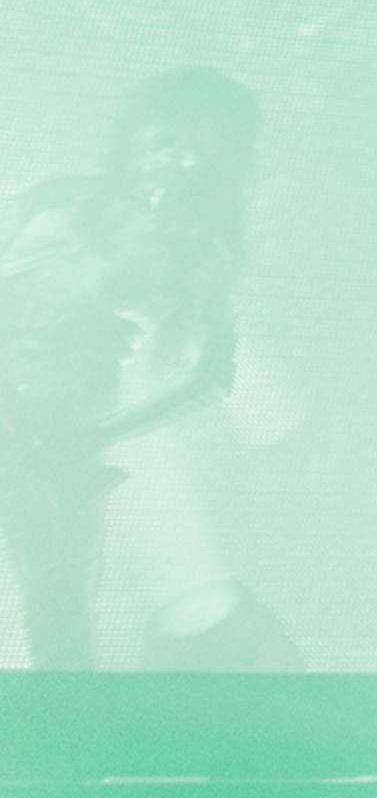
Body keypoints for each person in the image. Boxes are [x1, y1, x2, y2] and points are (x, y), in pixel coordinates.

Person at [0, 68, 261, 670]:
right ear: (135, 134)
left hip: (61, 440)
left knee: (59, 607)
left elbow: (212, 375)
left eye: (198, 151)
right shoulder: (56, 197)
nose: (174, 160)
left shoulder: (198, 249)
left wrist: (95, 435)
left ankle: (62, 748)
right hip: (31, 415)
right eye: (165, 140)